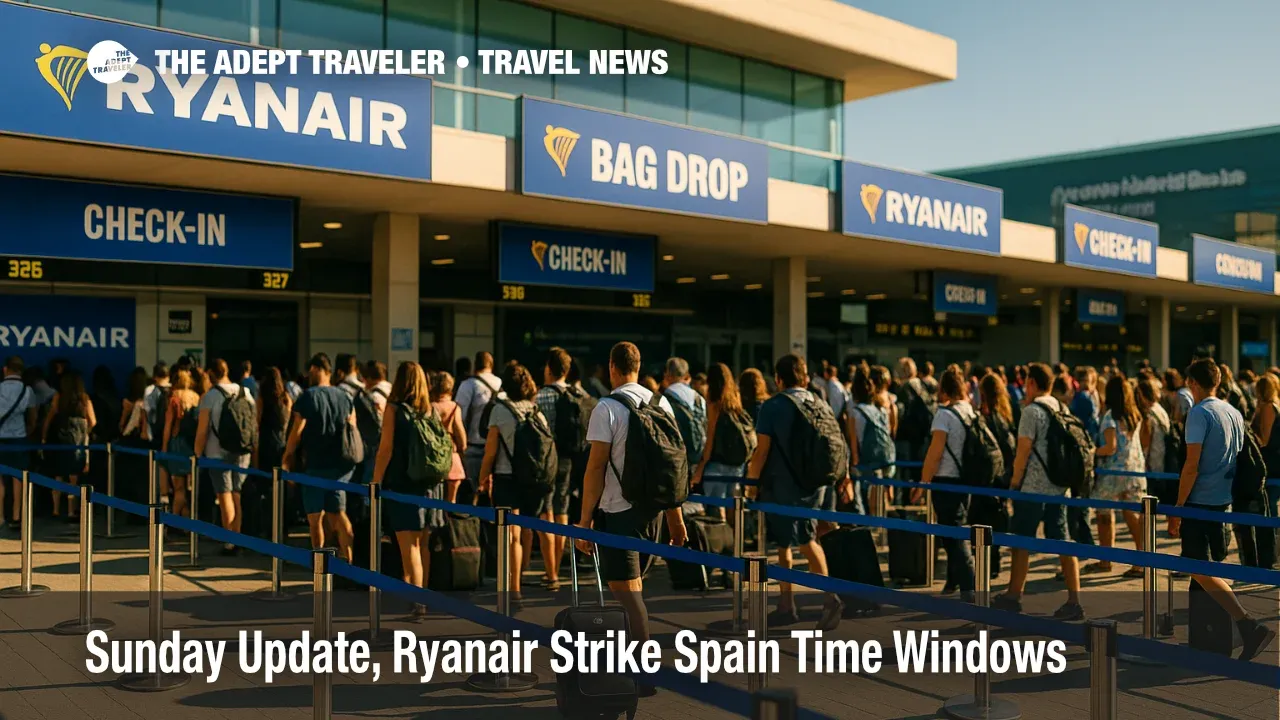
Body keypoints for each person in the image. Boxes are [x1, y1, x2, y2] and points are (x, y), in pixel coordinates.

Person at [577, 341, 688, 698]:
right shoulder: (661, 403)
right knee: (633, 589)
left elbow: (595, 468)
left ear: (612, 367)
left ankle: (644, 672)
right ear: (638, 367)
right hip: (652, 512)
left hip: (619, 511)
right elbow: (670, 466)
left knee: (627, 596)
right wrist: (675, 516)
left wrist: (584, 521)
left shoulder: (607, 407)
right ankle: (631, 667)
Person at [1177, 358, 1276, 660]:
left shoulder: (1198, 413)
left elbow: (1191, 464)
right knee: (1208, 567)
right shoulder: (1232, 411)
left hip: (1200, 501)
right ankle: (1214, 637)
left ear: (1193, 383)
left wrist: (1178, 507)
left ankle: (1246, 623)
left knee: (1197, 566)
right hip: (1224, 499)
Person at [745, 353, 845, 630]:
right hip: (816, 483)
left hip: (784, 485)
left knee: (799, 540)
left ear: (778, 379)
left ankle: (828, 597)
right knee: (794, 540)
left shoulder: (773, 406)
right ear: (804, 377)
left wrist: (751, 485)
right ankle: (787, 603)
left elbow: (762, 450)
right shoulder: (818, 402)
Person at [994, 362, 1085, 621]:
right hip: (1060, 487)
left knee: (1021, 541)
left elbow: (1023, 451)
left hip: (1033, 488)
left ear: (1032, 383)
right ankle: (1074, 600)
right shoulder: (1061, 407)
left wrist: (1014, 483)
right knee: (1063, 542)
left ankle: (1014, 595)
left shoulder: (1031, 411)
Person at [373, 362, 453, 620]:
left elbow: (385, 449)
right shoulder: (430, 409)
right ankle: (421, 594)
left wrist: (375, 481)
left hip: (402, 485)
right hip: (430, 486)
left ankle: (418, 604)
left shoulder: (394, 409)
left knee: (409, 547)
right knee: (422, 545)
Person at [478, 362, 549, 605]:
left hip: (505, 477)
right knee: (517, 535)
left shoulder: (499, 410)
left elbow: (490, 451)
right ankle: (516, 588)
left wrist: (482, 478)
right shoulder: (535, 410)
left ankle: (506, 588)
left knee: (506, 535)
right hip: (527, 479)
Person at [283, 353, 359, 561]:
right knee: (339, 513)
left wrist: (287, 456)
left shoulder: (308, 397)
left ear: (317, 369)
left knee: (315, 518)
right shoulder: (345, 397)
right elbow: (352, 428)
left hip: (315, 464)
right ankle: (349, 559)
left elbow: (296, 432)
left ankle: (319, 564)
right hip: (340, 466)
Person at [913, 366, 977, 602]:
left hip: (945, 479)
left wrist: (923, 483)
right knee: (954, 530)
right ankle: (953, 581)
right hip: (965, 478)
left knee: (953, 534)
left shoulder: (944, 415)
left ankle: (969, 585)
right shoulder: (969, 411)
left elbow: (935, 453)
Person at [1089, 375, 1147, 578]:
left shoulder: (1110, 417)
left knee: (1104, 513)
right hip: (1135, 470)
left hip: (1113, 473)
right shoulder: (1134, 415)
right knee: (1132, 515)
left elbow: (1110, 447)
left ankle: (1106, 560)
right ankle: (1142, 560)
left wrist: (1092, 452)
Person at [194, 359, 254, 556]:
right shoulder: (245, 392)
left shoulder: (210, 396)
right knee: (237, 493)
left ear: (212, 373)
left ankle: (230, 541)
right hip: (243, 451)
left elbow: (202, 429)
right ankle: (238, 536)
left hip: (217, 452)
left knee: (224, 495)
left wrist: (197, 453)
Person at [534, 348, 576, 589]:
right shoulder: (577, 394)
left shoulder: (540, 397)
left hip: (546, 461)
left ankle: (551, 573)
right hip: (568, 460)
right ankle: (557, 567)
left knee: (546, 514)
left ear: (549, 369)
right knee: (562, 513)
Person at [692, 362, 754, 520]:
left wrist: (700, 468)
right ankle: (734, 536)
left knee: (717, 512)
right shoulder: (735, 398)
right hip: (737, 466)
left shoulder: (714, 402)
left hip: (717, 465)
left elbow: (710, 438)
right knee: (734, 509)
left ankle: (721, 535)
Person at [42, 371, 96, 522]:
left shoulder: (59, 397)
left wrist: (44, 437)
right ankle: (71, 511)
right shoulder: (84, 399)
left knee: (58, 476)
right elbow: (93, 421)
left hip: (59, 442)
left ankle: (56, 510)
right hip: (77, 443)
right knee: (73, 477)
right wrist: (84, 431)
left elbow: (49, 418)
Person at [975, 373, 1015, 578]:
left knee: (981, 522)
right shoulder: (1005, 416)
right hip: (1002, 479)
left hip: (985, 478)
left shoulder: (983, 418)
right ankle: (994, 563)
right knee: (996, 520)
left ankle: (985, 566)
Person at [454, 351, 501, 506]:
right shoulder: (500, 384)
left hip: (473, 446)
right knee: (493, 495)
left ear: (475, 365)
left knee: (471, 493)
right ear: (491, 365)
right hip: (496, 448)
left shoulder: (467, 385)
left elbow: (459, 416)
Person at [160, 368, 201, 522]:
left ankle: (172, 521)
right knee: (188, 488)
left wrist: (164, 447)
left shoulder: (174, 399)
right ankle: (186, 523)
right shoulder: (197, 397)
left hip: (177, 444)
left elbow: (168, 426)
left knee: (179, 487)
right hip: (192, 444)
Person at [848, 365, 889, 516]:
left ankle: (865, 525)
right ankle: (879, 525)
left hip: (863, 461)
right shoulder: (880, 410)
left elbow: (853, 441)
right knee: (877, 499)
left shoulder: (855, 412)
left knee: (861, 500)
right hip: (878, 460)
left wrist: (854, 461)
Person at [1247, 373, 1280, 569]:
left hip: (1270, 465)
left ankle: (1270, 555)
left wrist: (1249, 435)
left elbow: (1264, 440)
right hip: (1274, 464)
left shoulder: (1268, 408)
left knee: (1269, 509)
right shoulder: (1274, 405)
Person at [1137, 377, 1176, 534]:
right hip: (1164, 459)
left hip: (1153, 462)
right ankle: (1172, 527)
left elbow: (1146, 441)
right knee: (1165, 496)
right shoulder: (1160, 409)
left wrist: (1142, 461)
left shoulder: (1149, 414)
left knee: (1149, 501)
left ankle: (1148, 534)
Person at [0, 357, 35, 532]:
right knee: (17, 478)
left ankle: (0, 516)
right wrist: (28, 431)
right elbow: (33, 417)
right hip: (19, 438)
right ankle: (16, 516)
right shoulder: (27, 391)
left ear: (5, 369)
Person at [429, 372, 468, 504]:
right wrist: (463, 449)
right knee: (451, 501)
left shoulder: (429, 407)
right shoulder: (454, 408)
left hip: (432, 457)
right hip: (451, 457)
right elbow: (461, 436)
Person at [255, 368, 292, 473]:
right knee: (277, 477)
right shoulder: (285, 399)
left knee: (264, 475)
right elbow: (287, 419)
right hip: (280, 443)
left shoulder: (262, 398)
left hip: (265, 442)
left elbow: (257, 421)